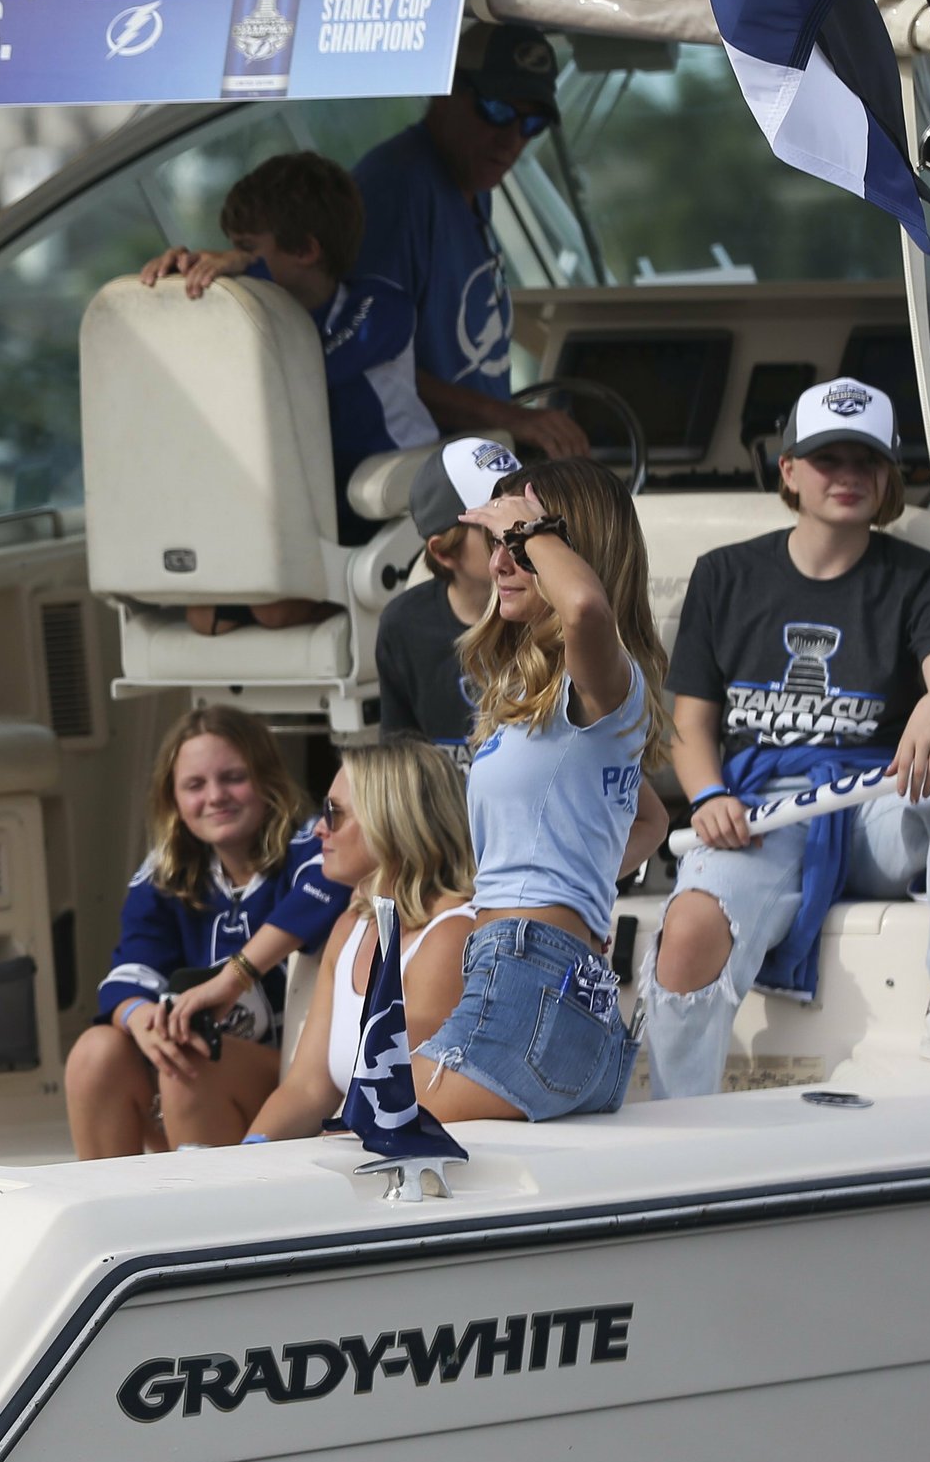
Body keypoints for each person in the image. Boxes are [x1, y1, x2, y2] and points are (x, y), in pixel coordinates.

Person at [644, 379, 930, 1091]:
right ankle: (682, 1116)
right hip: (761, 813)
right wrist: (707, 795)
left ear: (890, 478)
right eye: (828, 458)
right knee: (689, 927)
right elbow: (690, 724)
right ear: (789, 472)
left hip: (872, 810)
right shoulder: (723, 576)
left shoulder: (918, 578)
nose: (849, 476)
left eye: (867, 461)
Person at [414, 455, 672, 1123]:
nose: (501, 562)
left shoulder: (603, 680)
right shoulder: (554, 695)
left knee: (365, 1126)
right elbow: (647, 820)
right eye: (497, 544)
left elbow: (585, 606)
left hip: (528, 984)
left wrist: (535, 530)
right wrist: (577, 894)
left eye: (520, 546)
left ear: (567, 547)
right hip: (548, 986)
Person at [66, 705, 349, 1155]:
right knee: (96, 1051)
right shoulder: (166, 873)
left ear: (267, 778)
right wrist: (141, 1021)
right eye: (195, 785)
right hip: (191, 1084)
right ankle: (110, 1210)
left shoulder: (312, 841)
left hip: (293, 1082)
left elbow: (327, 890)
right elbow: (126, 975)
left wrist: (231, 979)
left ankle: (206, 1210)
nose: (215, 796)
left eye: (233, 777)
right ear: (173, 799)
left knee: (193, 1059)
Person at [137, 148, 438, 568]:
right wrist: (179, 287)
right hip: (315, 504)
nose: (231, 260)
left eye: (245, 248)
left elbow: (310, 372)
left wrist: (249, 273)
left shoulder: (380, 306)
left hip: (398, 510)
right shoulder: (255, 317)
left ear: (305, 251)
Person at [351, 22, 589, 459]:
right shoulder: (396, 191)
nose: (511, 139)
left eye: (531, 123)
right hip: (416, 477)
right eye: (496, 110)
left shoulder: (472, 185)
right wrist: (512, 418)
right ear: (444, 91)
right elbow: (372, 362)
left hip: (477, 458)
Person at [248, 739, 480, 1141]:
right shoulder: (351, 926)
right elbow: (307, 1089)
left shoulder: (452, 934)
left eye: (334, 814)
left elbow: (396, 1094)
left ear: (389, 821)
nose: (319, 827)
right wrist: (247, 1157)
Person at [374, 436, 525, 764]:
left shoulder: (555, 609)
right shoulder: (405, 625)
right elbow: (400, 764)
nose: (517, 532)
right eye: (493, 524)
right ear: (444, 551)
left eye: (524, 514)